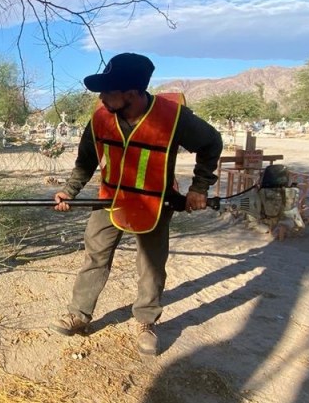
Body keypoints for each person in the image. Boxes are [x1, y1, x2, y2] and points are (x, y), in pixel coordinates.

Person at [50, 53, 222, 356]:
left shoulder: (173, 117)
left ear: (131, 93)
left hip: (154, 203)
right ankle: (79, 314)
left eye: (108, 90)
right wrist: (69, 191)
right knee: (95, 257)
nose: (101, 96)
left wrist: (199, 187)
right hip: (110, 200)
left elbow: (211, 143)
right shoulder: (100, 117)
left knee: (152, 266)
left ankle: (146, 321)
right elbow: (85, 161)